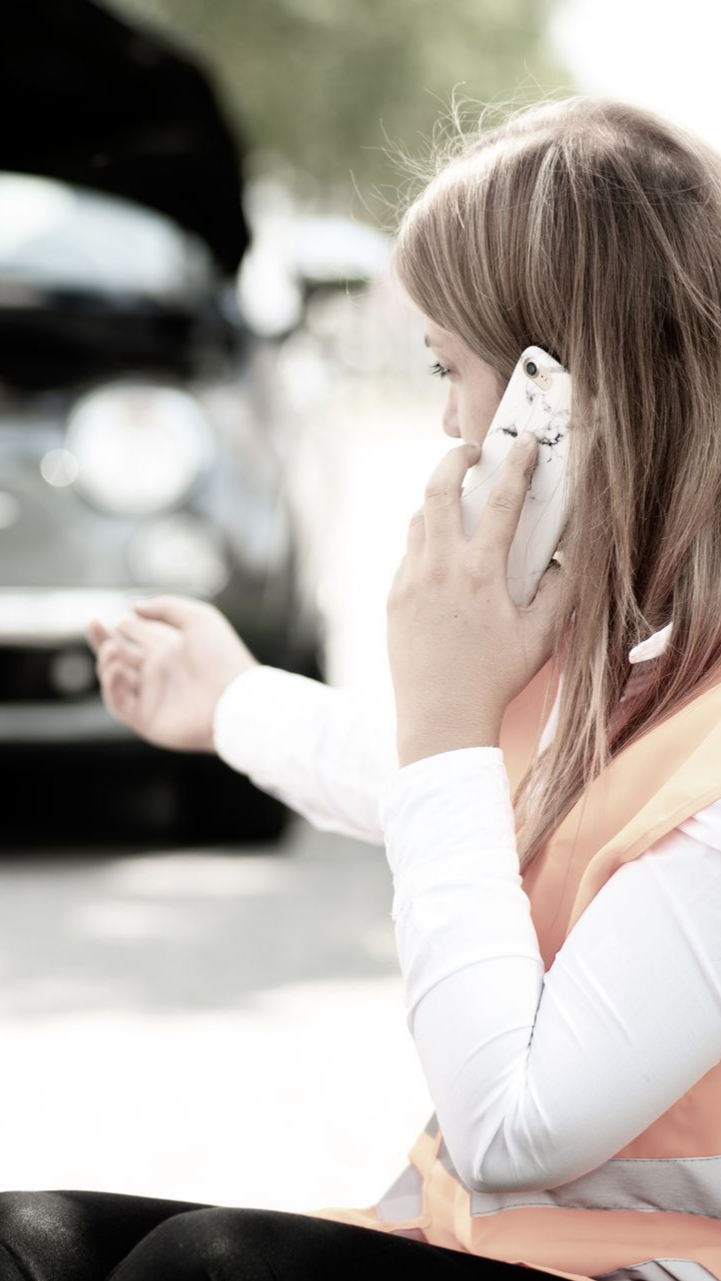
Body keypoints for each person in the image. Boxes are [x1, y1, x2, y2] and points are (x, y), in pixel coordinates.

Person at [4, 92, 721, 1280]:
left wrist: (446, 712)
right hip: (488, 1243)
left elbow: (509, 1126)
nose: (449, 426)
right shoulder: (627, 670)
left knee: (207, 1268)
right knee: (29, 1240)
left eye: (454, 369)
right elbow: (443, 787)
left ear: (565, 402)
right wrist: (229, 702)